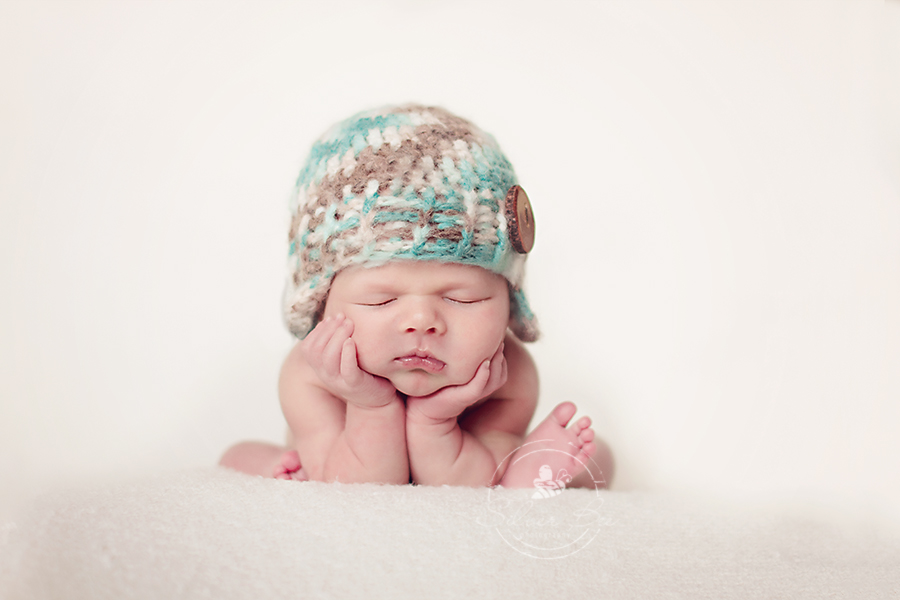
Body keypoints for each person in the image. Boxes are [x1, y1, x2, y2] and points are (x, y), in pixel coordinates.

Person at [220, 104, 613, 489]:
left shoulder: (504, 375)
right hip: (335, 459)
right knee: (239, 457)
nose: (421, 320)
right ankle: (281, 465)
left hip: (472, 459)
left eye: (463, 298)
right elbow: (357, 486)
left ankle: (525, 472)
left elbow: (471, 486)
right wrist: (367, 404)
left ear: (509, 301)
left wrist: (436, 421)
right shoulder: (314, 375)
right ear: (321, 304)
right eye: (380, 301)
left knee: (600, 459)